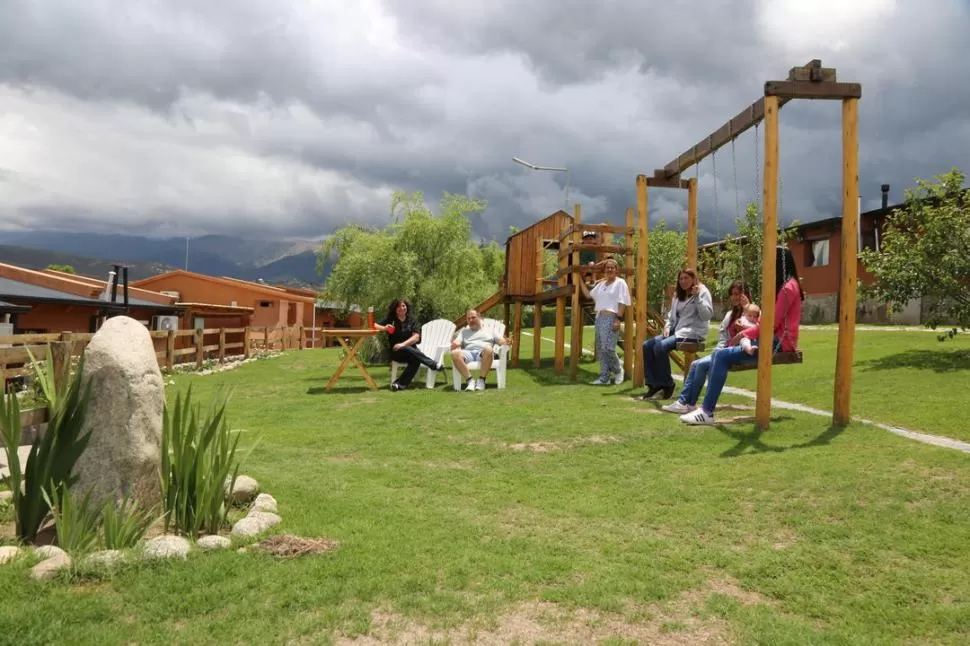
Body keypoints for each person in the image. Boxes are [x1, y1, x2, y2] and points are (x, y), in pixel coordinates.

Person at [680, 246, 805, 425]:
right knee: (718, 354)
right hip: (773, 339)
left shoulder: (787, 289)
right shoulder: (789, 286)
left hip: (779, 342)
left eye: (767, 263)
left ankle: (707, 411)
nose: (764, 269)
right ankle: (703, 410)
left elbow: (769, 324)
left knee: (721, 356)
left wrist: (741, 335)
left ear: (777, 263)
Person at [661, 280, 752, 415]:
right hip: (724, 351)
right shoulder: (729, 315)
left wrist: (746, 309)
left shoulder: (753, 312)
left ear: (745, 295)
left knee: (701, 364)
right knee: (695, 364)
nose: (734, 297)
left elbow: (757, 329)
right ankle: (687, 404)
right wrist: (718, 350)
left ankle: (686, 403)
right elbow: (723, 339)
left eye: (738, 294)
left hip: (739, 352)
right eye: (732, 294)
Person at [641, 268, 714, 400]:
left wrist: (697, 297)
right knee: (647, 345)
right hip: (676, 329)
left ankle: (667, 384)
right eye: (681, 279)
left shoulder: (702, 292)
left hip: (693, 332)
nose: (683, 281)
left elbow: (707, 316)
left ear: (693, 279)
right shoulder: (678, 294)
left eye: (686, 278)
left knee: (660, 347)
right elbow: (671, 316)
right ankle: (653, 384)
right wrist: (667, 327)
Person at [374, 298, 443, 391]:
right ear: (395, 309)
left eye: (403, 306)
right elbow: (374, 325)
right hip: (397, 352)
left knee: (416, 360)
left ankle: (398, 385)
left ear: (406, 307)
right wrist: (385, 328)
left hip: (410, 351)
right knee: (415, 355)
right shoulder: (391, 320)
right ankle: (434, 365)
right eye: (399, 306)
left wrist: (403, 344)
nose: (402, 308)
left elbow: (416, 337)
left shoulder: (412, 320)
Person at [589, 257, 631, 385]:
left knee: (609, 348)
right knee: (601, 349)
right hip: (599, 318)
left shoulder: (620, 283)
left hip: (611, 317)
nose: (610, 269)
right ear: (605, 270)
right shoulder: (601, 285)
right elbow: (589, 295)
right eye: (608, 267)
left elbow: (623, 301)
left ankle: (618, 370)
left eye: (612, 267)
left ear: (616, 270)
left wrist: (618, 319)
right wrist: (579, 280)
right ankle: (604, 377)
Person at [451, 308, 509, 391]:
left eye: (473, 317)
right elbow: (456, 342)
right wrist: (454, 344)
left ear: (479, 317)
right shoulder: (464, 332)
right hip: (468, 353)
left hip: (483, 354)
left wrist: (506, 341)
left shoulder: (490, 330)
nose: (471, 320)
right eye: (468, 318)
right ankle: (470, 381)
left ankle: (481, 380)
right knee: (455, 353)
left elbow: (501, 341)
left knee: (488, 348)